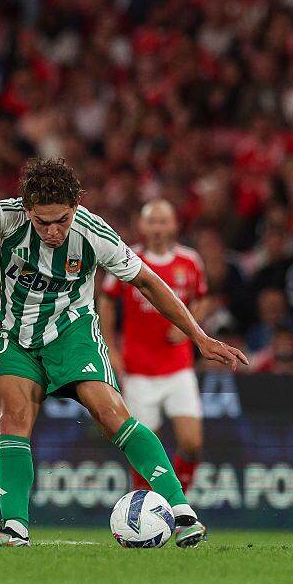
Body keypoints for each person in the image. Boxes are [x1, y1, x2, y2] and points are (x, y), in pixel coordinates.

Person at [0, 158, 247, 548]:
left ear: (75, 208)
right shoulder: (7, 216)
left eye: (61, 220)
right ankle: (14, 528)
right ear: (27, 209)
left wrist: (198, 336)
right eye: (42, 221)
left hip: (74, 333)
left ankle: (183, 513)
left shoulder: (94, 233)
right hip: (18, 337)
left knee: (112, 414)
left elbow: (149, 282)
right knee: (13, 417)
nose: (52, 231)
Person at [98, 200, 209, 493]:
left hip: (178, 367)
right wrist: (111, 348)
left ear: (174, 225)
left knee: (192, 443)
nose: (158, 228)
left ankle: (176, 501)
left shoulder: (190, 261)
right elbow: (106, 303)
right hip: (138, 369)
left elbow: (203, 299)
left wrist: (189, 328)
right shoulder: (127, 258)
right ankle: (147, 507)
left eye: (164, 221)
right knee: (143, 448)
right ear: (142, 226)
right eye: (152, 221)